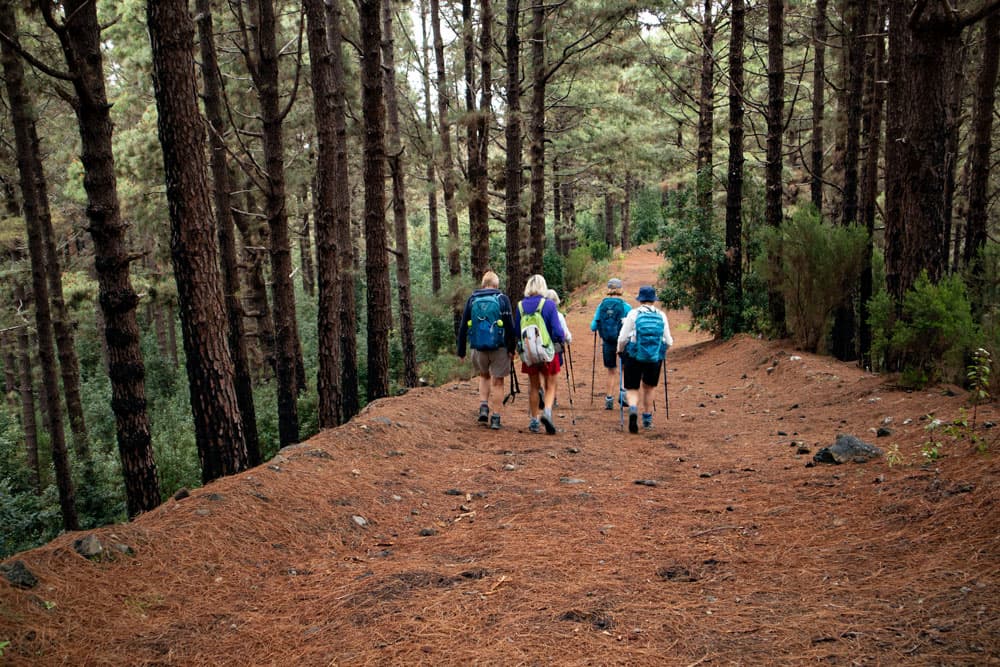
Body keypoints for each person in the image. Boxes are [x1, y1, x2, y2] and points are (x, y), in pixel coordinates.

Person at [457, 271, 517, 429]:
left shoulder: (472, 299)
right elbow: (510, 327)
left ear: (483, 284)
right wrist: (512, 349)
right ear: (496, 285)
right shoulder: (502, 299)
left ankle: (483, 407)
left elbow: (463, 326)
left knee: (484, 376)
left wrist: (461, 351)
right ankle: (495, 418)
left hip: (478, 348)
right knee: (498, 381)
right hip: (500, 347)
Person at [617, 285, 672, 434]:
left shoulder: (633, 314)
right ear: (654, 299)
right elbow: (669, 341)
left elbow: (622, 337)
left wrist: (620, 350)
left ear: (640, 299)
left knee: (633, 387)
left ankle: (633, 409)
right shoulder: (661, 315)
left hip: (633, 355)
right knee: (649, 387)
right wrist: (660, 352)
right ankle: (647, 419)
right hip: (654, 357)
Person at [515, 275, 565, 434]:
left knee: (534, 387)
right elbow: (558, 331)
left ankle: (534, 420)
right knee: (550, 385)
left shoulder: (520, 306)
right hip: (547, 352)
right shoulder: (549, 305)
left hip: (529, 353)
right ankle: (548, 413)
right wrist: (560, 341)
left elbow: (517, 331)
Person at [590, 278, 631, 410]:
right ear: (620, 289)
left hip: (607, 342)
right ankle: (623, 394)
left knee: (611, 370)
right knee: (623, 368)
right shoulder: (626, 306)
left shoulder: (601, 306)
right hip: (622, 342)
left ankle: (609, 399)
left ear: (608, 289)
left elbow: (593, 326)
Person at [544, 288, 572, 410]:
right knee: (553, 374)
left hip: (542, 348)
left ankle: (545, 394)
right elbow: (565, 334)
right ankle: (553, 397)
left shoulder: (540, 313)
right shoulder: (559, 316)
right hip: (555, 349)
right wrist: (568, 339)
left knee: (544, 372)